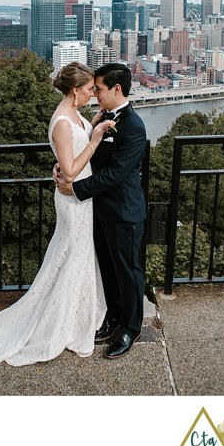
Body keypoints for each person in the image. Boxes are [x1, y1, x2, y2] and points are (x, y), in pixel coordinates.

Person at [0, 61, 112, 370]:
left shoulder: (75, 114)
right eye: (90, 89)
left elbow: (69, 159)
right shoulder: (62, 122)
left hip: (83, 197)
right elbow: (72, 169)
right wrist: (94, 140)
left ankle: (78, 318)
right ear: (75, 91)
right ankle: (61, 325)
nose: (94, 93)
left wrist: (96, 122)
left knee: (76, 258)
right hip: (72, 199)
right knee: (73, 258)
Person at [55, 62, 147, 359]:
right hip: (99, 210)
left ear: (117, 89)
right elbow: (87, 156)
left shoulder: (133, 126)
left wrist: (76, 189)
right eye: (92, 89)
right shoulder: (103, 118)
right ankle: (113, 316)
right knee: (108, 269)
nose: (95, 94)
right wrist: (63, 165)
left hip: (124, 212)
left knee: (128, 271)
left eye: (100, 89)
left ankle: (131, 327)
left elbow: (117, 174)